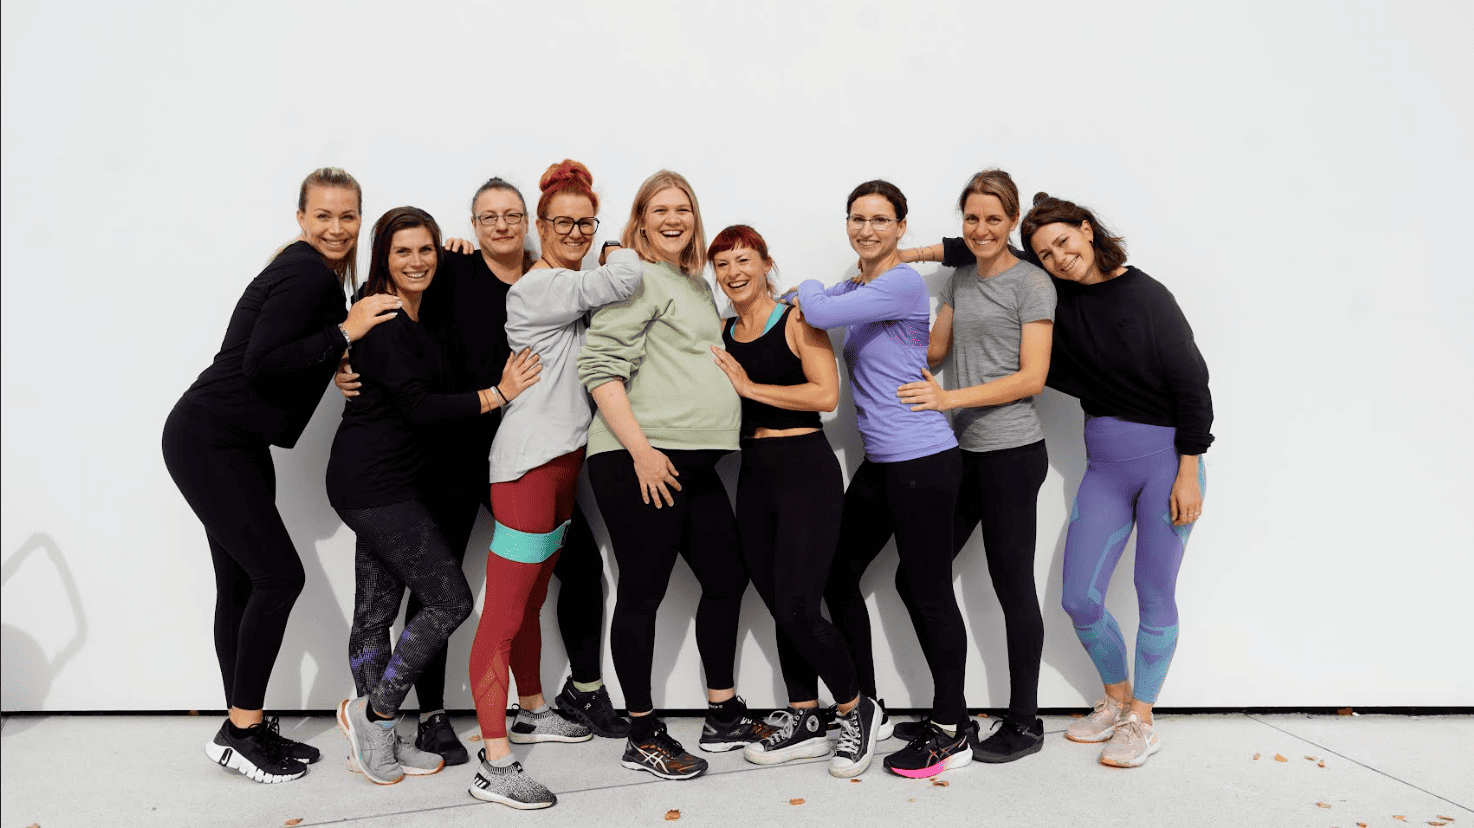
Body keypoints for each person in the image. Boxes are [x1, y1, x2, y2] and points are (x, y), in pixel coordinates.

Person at [335, 178, 629, 762]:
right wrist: (345, 360)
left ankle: (580, 690)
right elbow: (387, 324)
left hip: (523, 453)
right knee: (435, 590)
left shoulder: (553, 276)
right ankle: (431, 715)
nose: (501, 225)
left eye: (512, 214)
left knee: (579, 567)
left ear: (532, 222)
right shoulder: (449, 269)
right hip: (443, 452)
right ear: (471, 228)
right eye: (489, 217)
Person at [162, 168, 401, 784]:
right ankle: (241, 729)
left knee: (243, 584)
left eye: (348, 216)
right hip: (211, 438)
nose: (337, 228)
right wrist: (346, 334)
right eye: (323, 215)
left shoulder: (311, 274)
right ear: (301, 218)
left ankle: (243, 723)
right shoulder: (304, 271)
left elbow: (292, 352)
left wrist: (336, 360)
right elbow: (263, 361)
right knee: (278, 576)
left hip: (227, 440)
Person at [327, 207, 541, 786]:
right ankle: (374, 715)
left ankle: (378, 743)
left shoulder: (417, 311)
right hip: (372, 483)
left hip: (394, 480)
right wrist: (499, 392)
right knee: (450, 601)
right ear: (383, 260)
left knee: (375, 611)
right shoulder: (385, 318)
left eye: (426, 250)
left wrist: (455, 250)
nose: (417, 261)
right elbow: (420, 407)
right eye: (403, 253)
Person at [577, 170, 770, 780]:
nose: (673, 218)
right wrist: (639, 451)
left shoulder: (690, 282)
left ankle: (722, 712)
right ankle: (641, 731)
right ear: (639, 219)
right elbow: (599, 365)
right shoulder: (636, 276)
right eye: (659, 208)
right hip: (641, 456)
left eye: (682, 207)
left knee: (726, 574)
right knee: (643, 589)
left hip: (688, 458)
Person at [466, 160, 643, 809]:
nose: (574, 230)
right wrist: (618, 243)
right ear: (542, 228)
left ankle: (533, 709)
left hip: (564, 464)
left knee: (535, 598)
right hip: (528, 465)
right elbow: (626, 276)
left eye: (584, 221)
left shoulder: (569, 284)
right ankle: (494, 762)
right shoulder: (539, 289)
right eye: (563, 221)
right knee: (504, 617)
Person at [1020, 192, 1213, 768]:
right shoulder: (1058, 296)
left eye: (1064, 241)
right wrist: (920, 250)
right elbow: (986, 247)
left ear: (1086, 229)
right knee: (1079, 597)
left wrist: (1188, 473)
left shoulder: (1148, 296)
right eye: (1045, 253)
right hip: (1104, 467)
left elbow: (1193, 387)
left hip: (1167, 463)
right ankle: (1116, 698)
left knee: (1155, 596)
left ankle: (1143, 720)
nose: (1057, 257)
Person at [796, 180, 971, 779]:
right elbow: (819, 303)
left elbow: (814, 306)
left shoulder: (898, 284)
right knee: (837, 573)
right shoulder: (863, 287)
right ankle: (866, 704)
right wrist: (816, 292)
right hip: (884, 463)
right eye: (856, 218)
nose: (865, 229)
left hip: (924, 460)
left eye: (878, 219)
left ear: (900, 227)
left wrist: (811, 288)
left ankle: (952, 728)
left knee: (926, 590)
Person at [887, 169, 1055, 763]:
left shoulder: (1032, 284)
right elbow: (935, 351)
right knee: (917, 576)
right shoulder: (959, 275)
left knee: (1012, 587)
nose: (981, 228)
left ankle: (1026, 721)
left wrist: (948, 399)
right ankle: (948, 714)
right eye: (972, 218)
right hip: (964, 454)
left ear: (1012, 222)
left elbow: (1032, 377)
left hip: (1012, 455)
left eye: (993, 218)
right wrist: (870, 315)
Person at [707, 225, 885, 778]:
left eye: (744, 260)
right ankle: (805, 714)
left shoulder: (797, 320)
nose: (733, 272)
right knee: (781, 603)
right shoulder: (724, 330)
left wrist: (750, 389)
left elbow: (826, 396)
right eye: (722, 264)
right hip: (754, 476)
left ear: (766, 263)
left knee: (802, 607)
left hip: (805, 470)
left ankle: (858, 709)